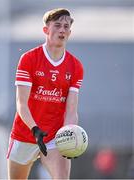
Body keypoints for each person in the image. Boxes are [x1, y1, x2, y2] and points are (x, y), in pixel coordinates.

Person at [7, 8, 84, 179]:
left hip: (54, 137)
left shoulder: (75, 66)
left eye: (66, 26)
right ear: (46, 30)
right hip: (26, 132)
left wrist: (69, 134)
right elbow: (21, 103)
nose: (62, 30)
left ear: (70, 33)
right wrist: (35, 129)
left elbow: (71, 109)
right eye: (57, 25)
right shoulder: (29, 59)